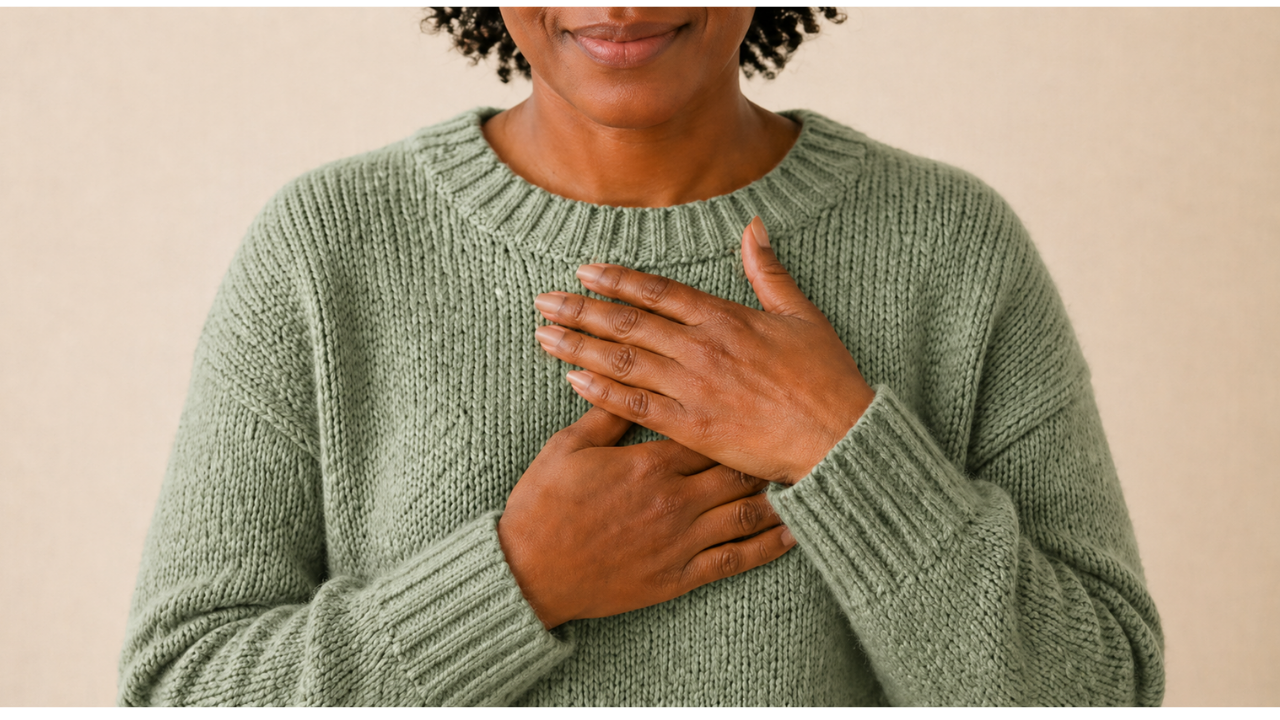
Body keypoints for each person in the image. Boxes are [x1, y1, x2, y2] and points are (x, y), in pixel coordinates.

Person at [118, 7, 1165, 706]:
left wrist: (838, 446)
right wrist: (517, 582)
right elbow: (180, 688)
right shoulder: (327, 246)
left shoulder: (950, 245)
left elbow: (1101, 690)